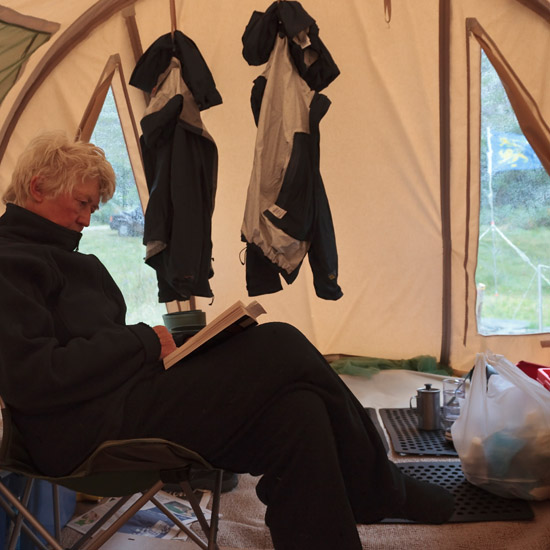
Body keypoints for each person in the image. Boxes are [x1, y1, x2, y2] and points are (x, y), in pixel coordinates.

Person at [0, 131, 454, 549]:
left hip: (126, 399)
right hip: (85, 429)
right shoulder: (11, 263)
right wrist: (140, 342)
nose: (85, 218)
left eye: (92, 209)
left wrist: (168, 351)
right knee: (279, 343)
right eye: (81, 204)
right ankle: (381, 489)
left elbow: (97, 347)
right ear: (38, 188)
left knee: (298, 410)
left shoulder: (66, 258)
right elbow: (34, 377)